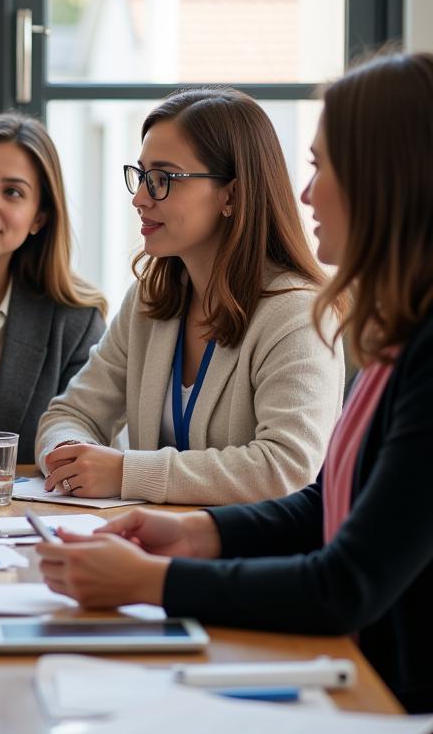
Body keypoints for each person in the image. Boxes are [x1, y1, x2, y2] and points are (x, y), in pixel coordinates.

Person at [36, 52, 433, 712]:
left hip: (398, 702)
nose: (306, 193)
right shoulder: (398, 335)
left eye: (321, 166)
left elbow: (344, 579)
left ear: (384, 180)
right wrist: (195, 536)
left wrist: (156, 579)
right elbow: (333, 505)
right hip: (366, 677)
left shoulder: (362, 331)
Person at [35, 88, 344, 505]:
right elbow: (69, 414)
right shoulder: (150, 299)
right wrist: (70, 458)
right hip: (148, 543)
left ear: (231, 195)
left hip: (247, 559)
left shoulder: (297, 313)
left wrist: (125, 472)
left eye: (163, 179)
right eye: (142, 176)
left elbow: (286, 466)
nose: (140, 198)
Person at [0, 113, 107, 465]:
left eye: (12, 192)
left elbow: (86, 437)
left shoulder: (74, 323)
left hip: (17, 513)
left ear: (38, 218)